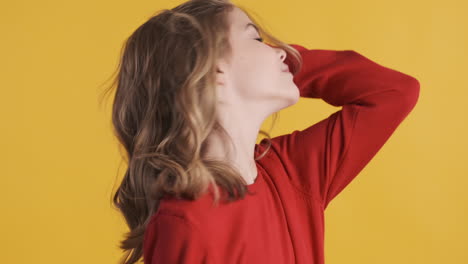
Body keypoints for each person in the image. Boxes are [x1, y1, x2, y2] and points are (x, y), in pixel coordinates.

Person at [103, 0, 420, 263]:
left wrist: (287, 66)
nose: (281, 50)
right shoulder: (185, 223)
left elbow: (394, 93)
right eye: (257, 40)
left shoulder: (292, 171)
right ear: (212, 68)